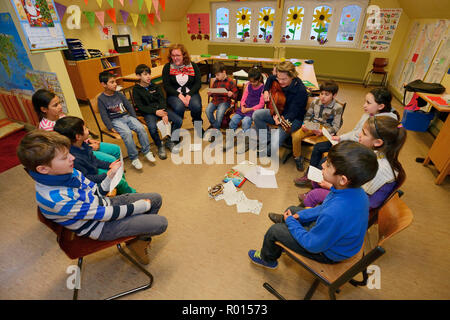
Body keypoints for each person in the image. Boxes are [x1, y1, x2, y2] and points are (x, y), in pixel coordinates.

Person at [17, 130, 168, 265]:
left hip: (102, 205)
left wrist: (109, 177)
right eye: (64, 157)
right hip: (100, 227)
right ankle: (136, 237)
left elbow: (95, 192)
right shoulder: (56, 199)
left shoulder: (68, 172)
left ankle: (138, 239)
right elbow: (105, 215)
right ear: (43, 169)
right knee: (161, 223)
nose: (72, 158)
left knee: (156, 198)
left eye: (69, 153)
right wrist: (140, 207)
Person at [248, 141, 378, 269]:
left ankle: (267, 259)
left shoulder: (335, 212)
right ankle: (286, 227)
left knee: (274, 231)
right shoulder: (355, 192)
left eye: (328, 165)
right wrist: (300, 215)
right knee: (292, 210)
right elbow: (324, 208)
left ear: (343, 179)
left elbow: (312, 244)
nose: (323, 166)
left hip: (328, 253)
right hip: (333, 238)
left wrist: (292, 223)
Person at [293, 116, 406, 211]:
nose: (360, 135)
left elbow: (359, 195)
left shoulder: (379, 168)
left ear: (377, 142)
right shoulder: (375, 154)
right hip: (355, 190)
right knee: (317, 180)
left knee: (315, 194)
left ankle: (300, 218)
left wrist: (331, 186)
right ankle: (311, 210)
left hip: (359, 204)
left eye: (364, 133)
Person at [294, 87, 399, 187]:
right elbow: (355, 132)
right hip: (350, 143)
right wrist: (340, 138)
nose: (364, 105)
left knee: (327, 160)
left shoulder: (382, 125)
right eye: (365, 101)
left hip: (357, 150)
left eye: (368, 103)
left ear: (381, 106)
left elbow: (351, 134)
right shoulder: (368, 114)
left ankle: (316, 182)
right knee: (318, 147)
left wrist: (339, 138)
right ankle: (310, 175)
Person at [32, 89, 121, 163]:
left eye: (60, 103)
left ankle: (117, 175)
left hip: (83, 143)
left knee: (116, 149)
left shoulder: (61, 116)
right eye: (55, 105)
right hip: (77, 153)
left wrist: (88, 140)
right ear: (44, 109)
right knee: (111, 160)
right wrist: (90, 148)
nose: (60, 107)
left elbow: (75, 133)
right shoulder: (47, 129)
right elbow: (65, 149)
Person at [54, 116, 136, 195]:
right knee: (119, 181)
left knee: (117, 170)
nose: (88, 130)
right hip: (92, 181)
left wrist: (109, 165)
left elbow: (94, 160)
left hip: (94, 171)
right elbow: (87, 179)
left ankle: (122, 190)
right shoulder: (75, 159)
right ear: (78, 136)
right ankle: (132, 195)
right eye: (85, 128)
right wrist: (107, 175)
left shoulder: (82, 144)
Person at [97, 71, 155, 170]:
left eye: (115, 81)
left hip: (127, 117)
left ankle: (147, 151)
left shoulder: (119, 94)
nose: (115, 84)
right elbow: (104, 115)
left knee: (141, 128)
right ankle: (134, 158)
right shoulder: (101, 99)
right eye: (112, 82)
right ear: (103, 84)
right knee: (127, 133)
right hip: (115, 121)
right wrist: (110, 127)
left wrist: (134, 118)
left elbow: (129, 106)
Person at [252, 61, 308, 156]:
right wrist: (266, 90)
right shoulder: (279, 77)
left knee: (275, 142)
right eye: (279, 78)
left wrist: (281, 119)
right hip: (279, 111)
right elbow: (270, 78)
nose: (280, 81)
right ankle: (267, 139)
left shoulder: (301, 91)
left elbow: (293, 112)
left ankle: (269, 149)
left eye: (284, 79)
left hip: (293, 119)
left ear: (292, 76)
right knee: (257, 115)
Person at [132, 64, 183, 159]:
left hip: (162, 109)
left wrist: (163, 113)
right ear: (138, 76)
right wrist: (155, 112)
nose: (148, 76)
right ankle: (160, 145)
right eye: (145, 74)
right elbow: (140, 106)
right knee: (152, 127)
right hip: (149, 112)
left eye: (149, 74)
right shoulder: (136, 90)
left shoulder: (155, 86)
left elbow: (162, 100)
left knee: (178, 120)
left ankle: (170, 140)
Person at [291, 80, 343, 171]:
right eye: (321, 93)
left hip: (326, 128)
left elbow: (336, 127)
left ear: (334, 95)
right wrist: (305, 124)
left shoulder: (338, 107)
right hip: (313, 124)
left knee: (319, 146)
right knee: (295, 136)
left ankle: (315, 167)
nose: (322, 97)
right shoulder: (315, 102)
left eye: (326, 94)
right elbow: (307, 116)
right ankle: (298, 157)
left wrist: (323, 132)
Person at [162, 43, 203, 138]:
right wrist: (179, 95)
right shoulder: (167, 67)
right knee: (179, 107)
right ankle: (175, 133)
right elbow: (167, 86)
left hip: (191, 92)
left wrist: (189, 95)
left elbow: (198, 83)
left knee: (196, 106)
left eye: (178, 55)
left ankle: (198, 127)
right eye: (173, 55)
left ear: (183, 55)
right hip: (174, 94)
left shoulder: (192, 66)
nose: (175, 58)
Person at [226, 67, 265, 153]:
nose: (252, 83)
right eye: (251, 81)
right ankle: (230, 140)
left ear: (259, 79)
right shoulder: (248, 85)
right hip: (245, 108)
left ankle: (246, 143)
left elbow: (261, 104)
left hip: (254, 110)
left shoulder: (263, 88)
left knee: (246, 122)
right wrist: (243, 106)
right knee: (233, 120)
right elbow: (243, 98)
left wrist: (248, 109)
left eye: (254, 81)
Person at [205, 62, 238, 138]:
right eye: (215, 75)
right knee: (207, 111)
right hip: (215, 100)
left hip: (225, 101)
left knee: (219, 113)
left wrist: (232, 94)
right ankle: (216, 126)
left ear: (224, 72)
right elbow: (213, 93)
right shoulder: (216, 81)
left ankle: (215, 129)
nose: (216, 77)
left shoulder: (231, 82)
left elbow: (236, 96)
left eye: (218, 75)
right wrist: (211, 93)